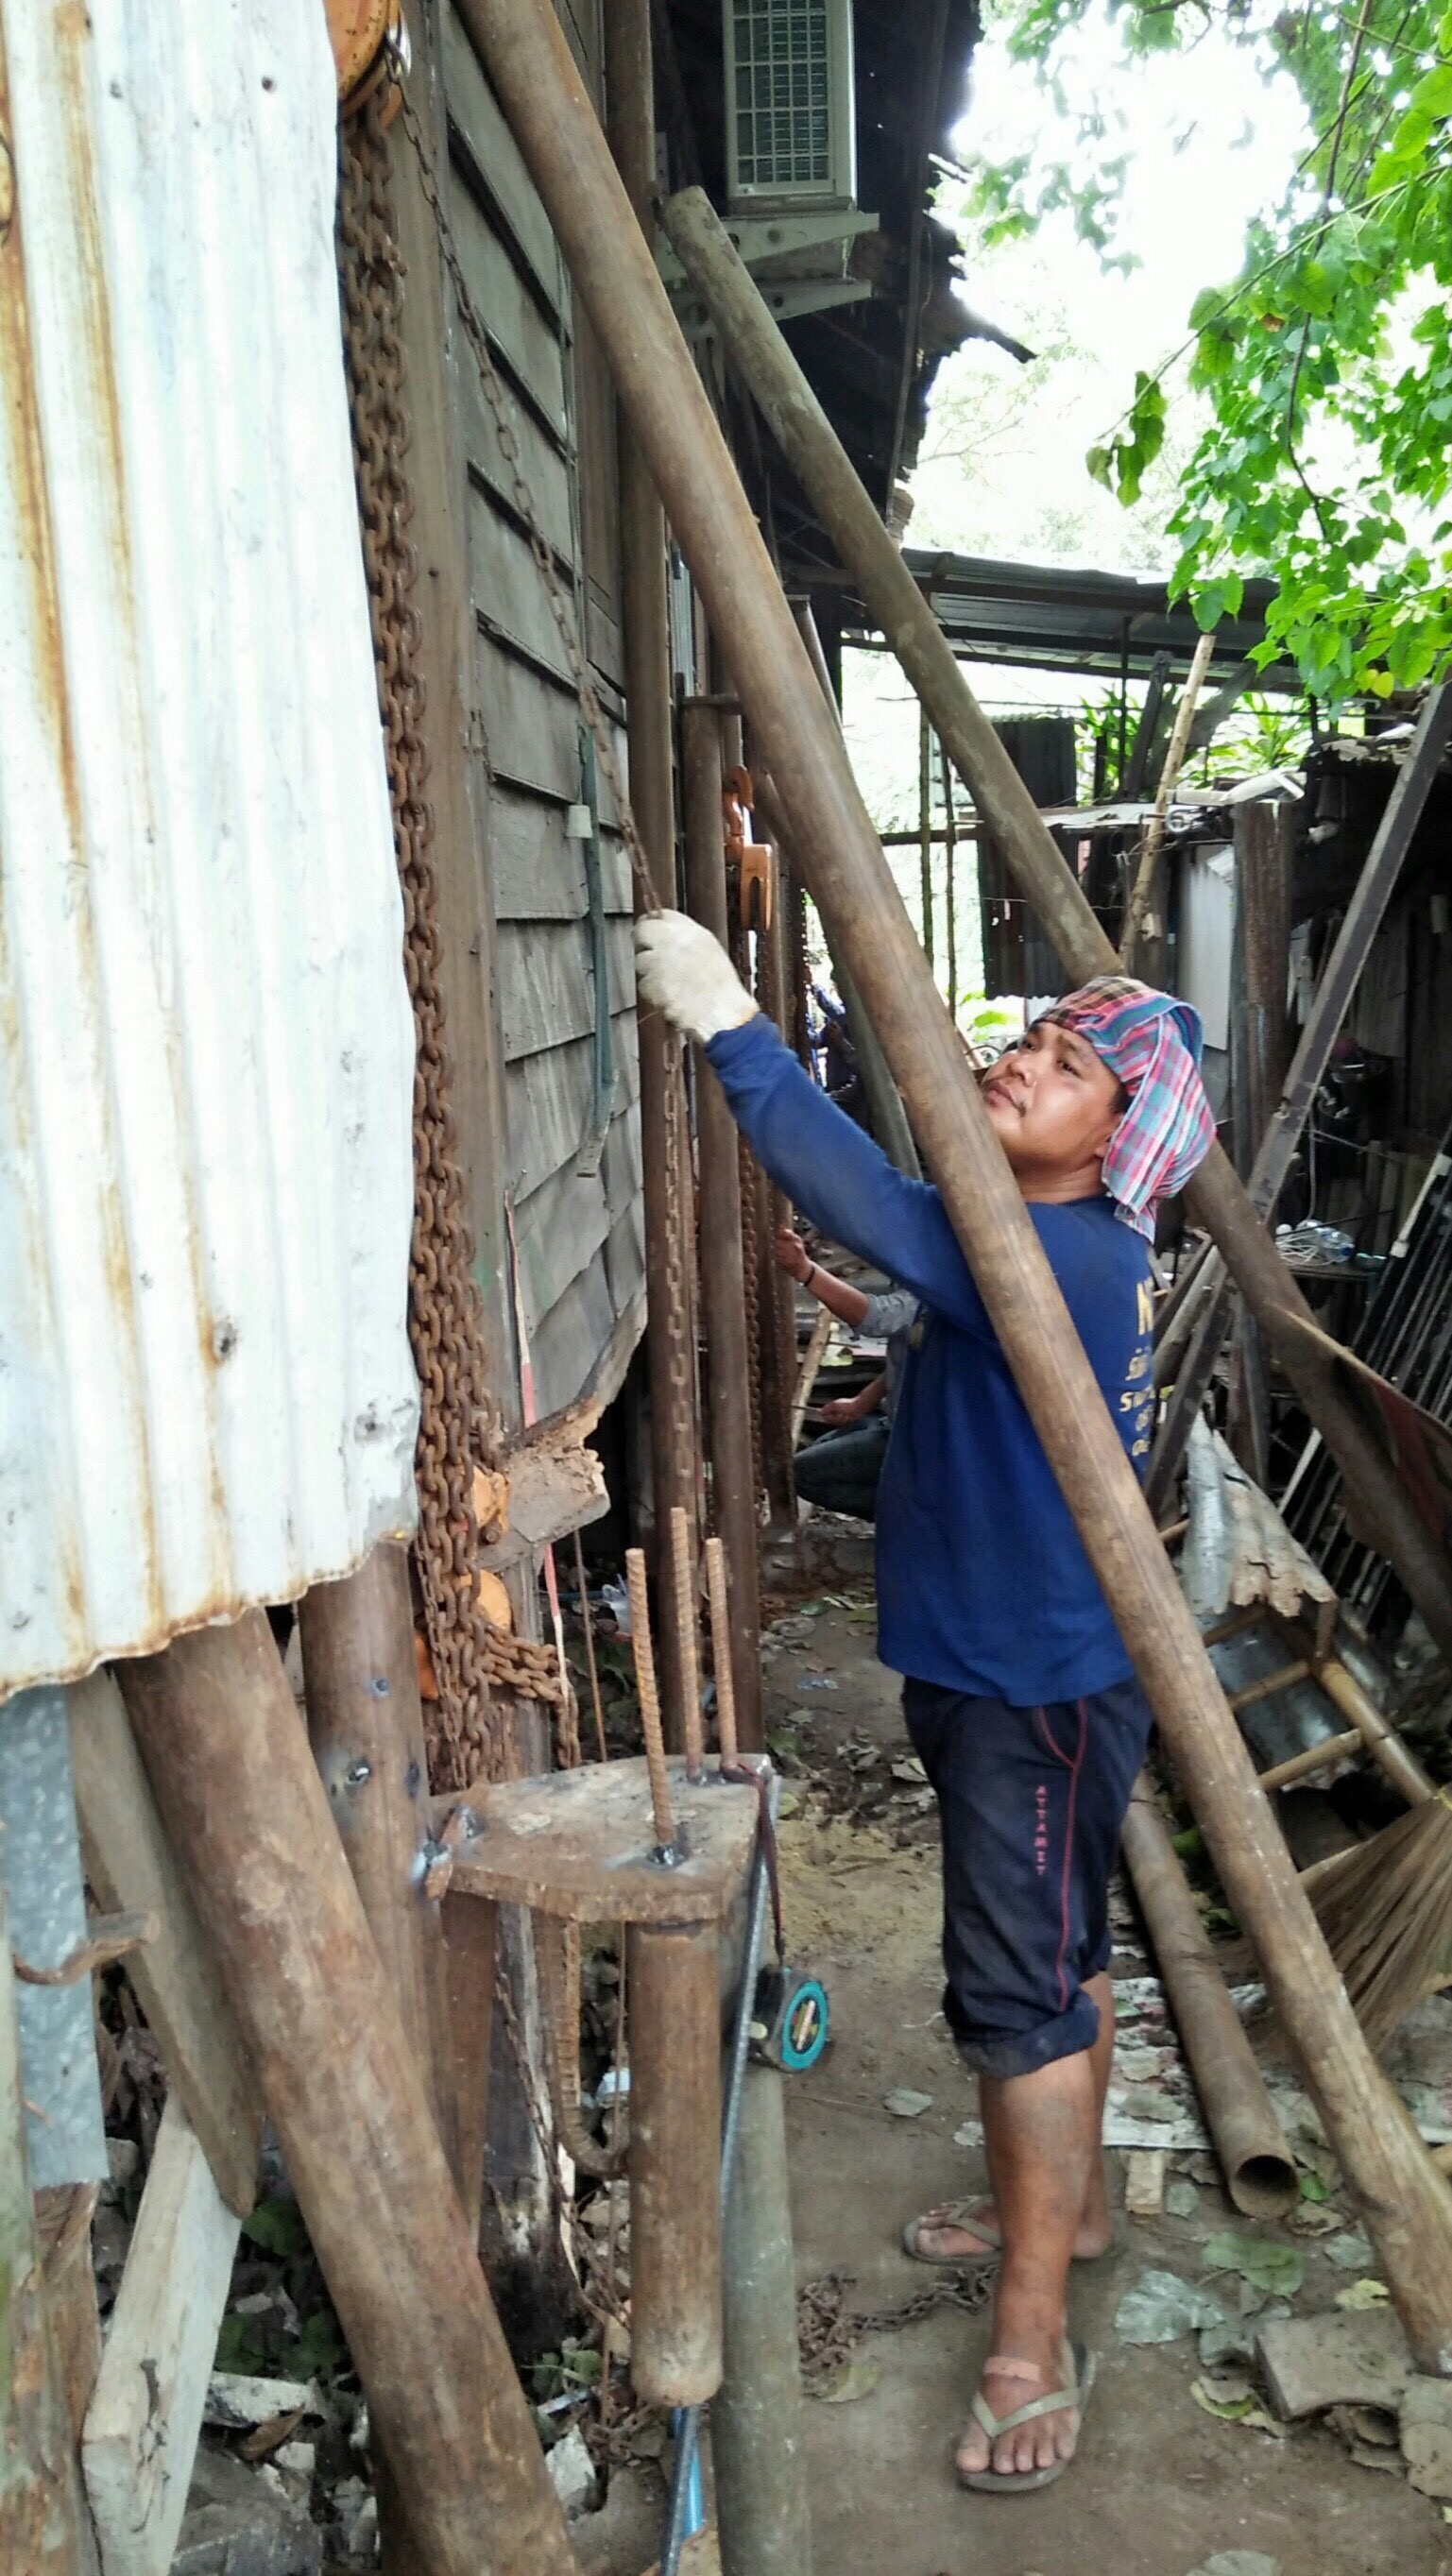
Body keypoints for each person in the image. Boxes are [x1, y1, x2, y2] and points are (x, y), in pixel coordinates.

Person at [636, 912, 1214, 2499]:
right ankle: (1075, 2206)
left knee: (1018, 1998)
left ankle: (1030, 2338)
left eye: (1072, 1063)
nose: (1024, 1061)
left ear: (1121, 1137)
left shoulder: (1066, 1248)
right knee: (1056, 1956)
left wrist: (734, 1027)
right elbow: (912, 1256)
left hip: (1029, 1692)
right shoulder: (1036, 1242)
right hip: (1014, 1673)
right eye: (1029, 1038)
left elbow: (874, 1198)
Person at [774, 1223, 916, 1522]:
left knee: (805, 1473)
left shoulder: (938, 1279)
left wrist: (806, 1272)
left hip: (921, 1438)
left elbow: (878, 1318)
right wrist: (860, 1402)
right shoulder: (915, 1269)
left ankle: (921, 1522)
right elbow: (913, 1357)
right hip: (897, 1421)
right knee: (826, 1446)